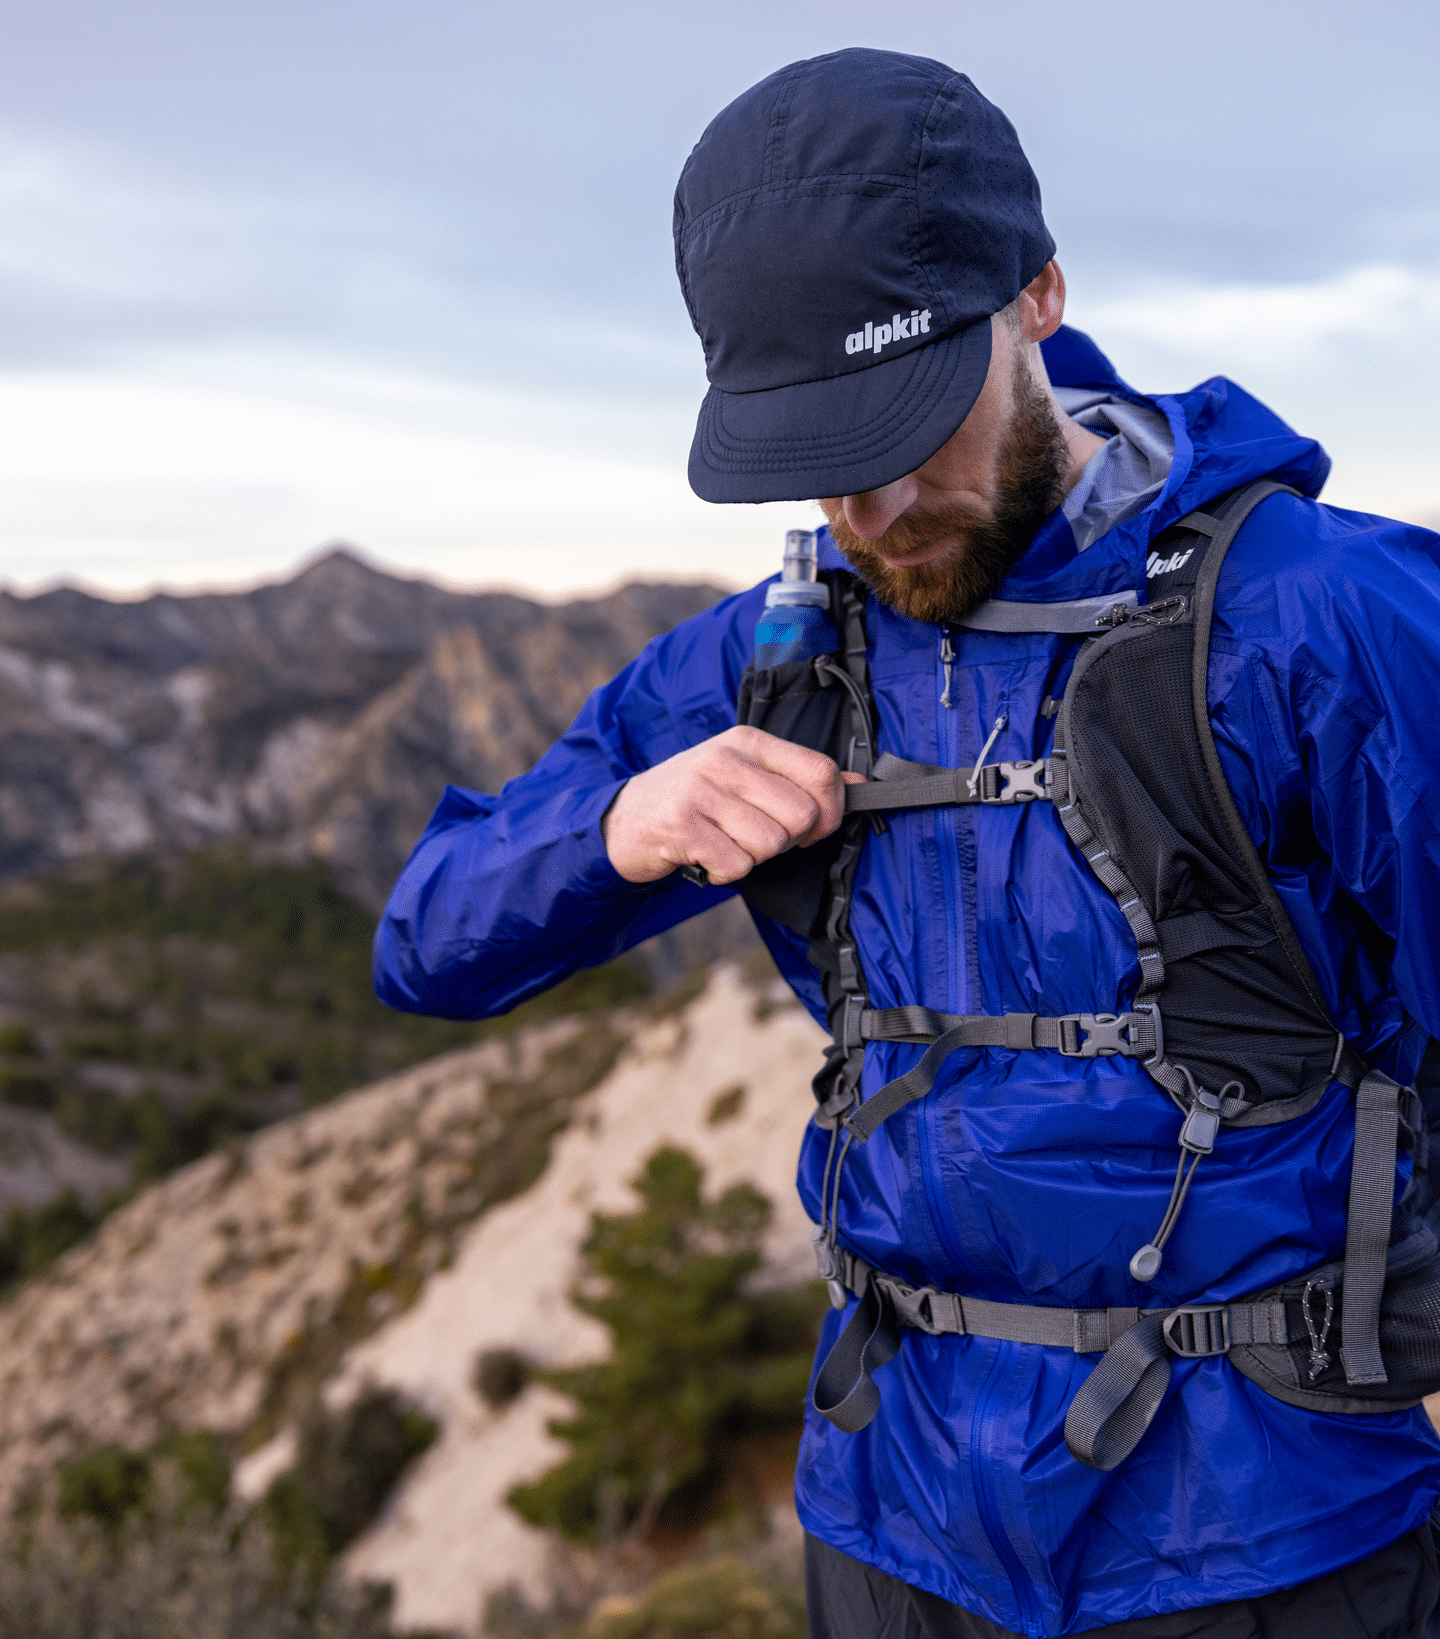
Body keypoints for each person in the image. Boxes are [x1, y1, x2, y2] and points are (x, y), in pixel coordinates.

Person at [374, 48, 1440, 1638]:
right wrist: (621, 826)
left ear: (1038, 296)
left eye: (907, 422)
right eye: (817, 449)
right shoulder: (775, 655)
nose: (871, 507)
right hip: (889, 1527)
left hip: (1272, 1543)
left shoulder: (1319, 619)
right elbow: (425, 944)